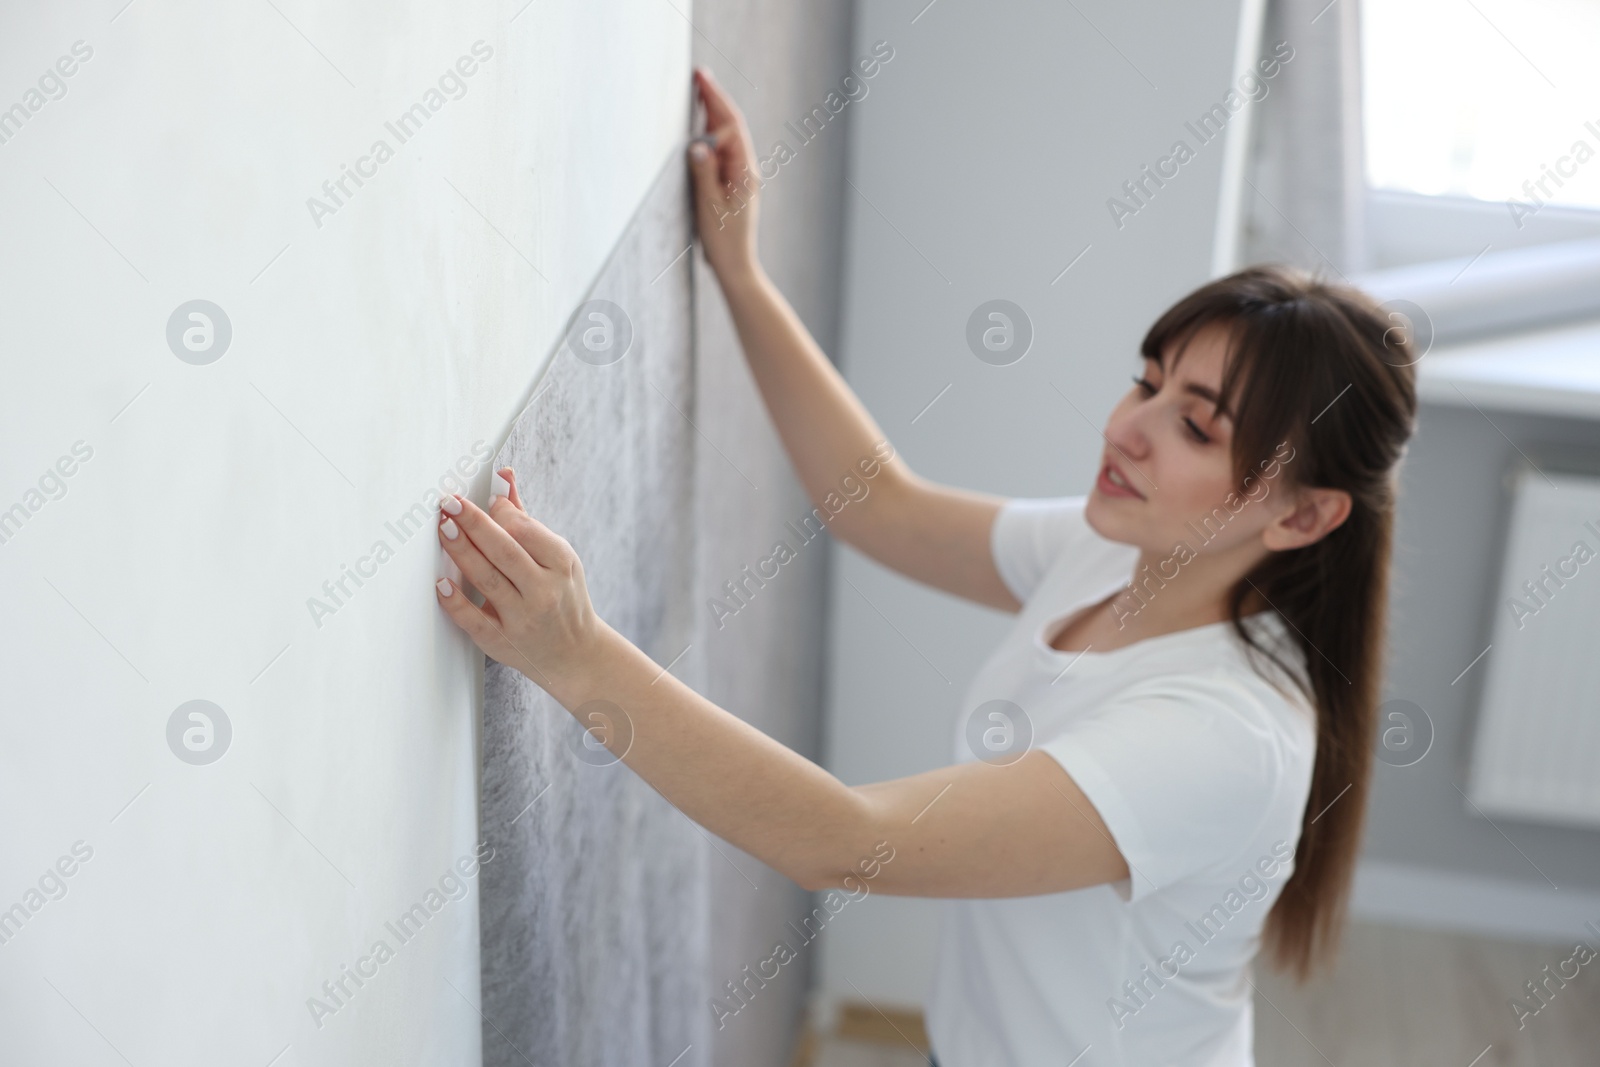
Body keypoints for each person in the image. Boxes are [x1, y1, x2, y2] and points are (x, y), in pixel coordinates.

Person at [432, 68, 1418, 1067]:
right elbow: (881, 508)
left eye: (1196, 424)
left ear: (1302, 514)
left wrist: (578, 656)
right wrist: (740, 271)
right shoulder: (1125, 548)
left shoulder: (1224, 735)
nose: (1129, 427)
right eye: (1147, 380)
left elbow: (843, 839)